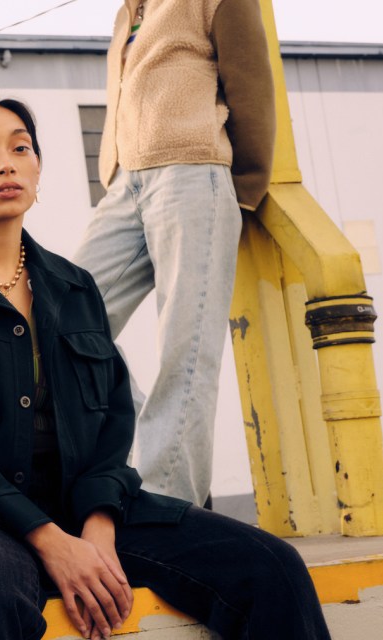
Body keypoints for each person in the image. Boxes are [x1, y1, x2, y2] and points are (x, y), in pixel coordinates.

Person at [0, 88, 329, 640]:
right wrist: (48, 539)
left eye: (21, 148)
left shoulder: (74, 288)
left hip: (80, 509)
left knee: (272, 567)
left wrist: (98, 529)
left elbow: (110, 427)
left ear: (37, 170)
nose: (5, 162)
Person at [72, 0, 277, 506]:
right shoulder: (128, 12)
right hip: (126, 186)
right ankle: (146, 446)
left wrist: (244, 187)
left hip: (193, 173)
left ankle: (171, 506)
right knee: (64, 316)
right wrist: (113, 172)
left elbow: (252, 89)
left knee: (185, 351)